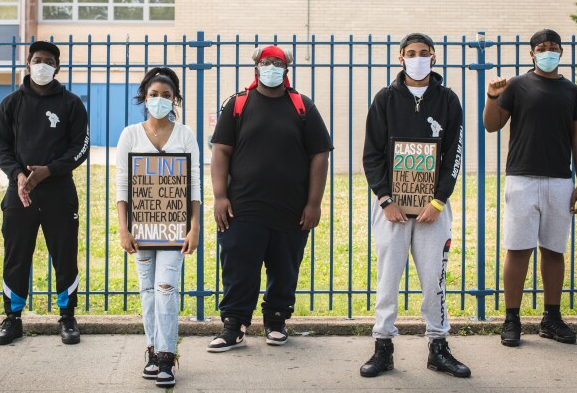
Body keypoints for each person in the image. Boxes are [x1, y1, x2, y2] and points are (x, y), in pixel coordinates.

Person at [207, 45, 332, 352]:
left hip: (291, 209)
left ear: (287, 70)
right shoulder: (237, 104)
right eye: (267, 62)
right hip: (242, 207)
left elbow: (320, 156)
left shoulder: (303, 106)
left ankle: (276, 320)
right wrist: (220, 196)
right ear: (257, 67)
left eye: (278, 63)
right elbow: (221, 151)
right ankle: (234, 326)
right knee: (238, 267)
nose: (272, 67)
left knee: (284, 267)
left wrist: (313, 203)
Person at [361, 33, 470, 378]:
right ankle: (383, 347)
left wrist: (439, 200)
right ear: (400, 58)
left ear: (434, 58)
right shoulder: (385, 100)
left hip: (432, 210)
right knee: (387, 279)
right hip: (391, 209)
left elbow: (454, 154)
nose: (418, 58)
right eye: (411, 53)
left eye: (424, 53)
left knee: (433, 280)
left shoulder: (449, 100)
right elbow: (371, 155)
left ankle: (438, 346)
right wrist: (386, 198)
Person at [482, 29, 577, 347]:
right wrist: (491, 96)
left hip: (559, 180)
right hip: (522, 178)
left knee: (554, 251)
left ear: (561, 52)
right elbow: (491, 124)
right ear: (532, 54)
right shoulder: (516, 85)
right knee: (518, 249)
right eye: (541, 47)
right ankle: (511, 320)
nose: (548, 51)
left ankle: (551, 319)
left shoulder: (572, 92)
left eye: (553, 47)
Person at [0, 40, 90, 345]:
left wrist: (50, 169)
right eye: (37, 60)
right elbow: (1, 147)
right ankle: (13, 318)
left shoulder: (71, 103)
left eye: (48, 61)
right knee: (16, 256)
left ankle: (68, 317)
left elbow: (81, 148)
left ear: (57, 67)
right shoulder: (11, 103)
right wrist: (19, 175)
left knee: (64, 255)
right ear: (28, 63)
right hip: (20, 193)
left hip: (59, 192)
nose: (42, 65)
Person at [115, 67, 201, 388]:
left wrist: (194, 227)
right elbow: (122, 185)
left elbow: (194, 185)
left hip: (174, 228)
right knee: (147, 292)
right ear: (144, 98)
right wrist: (124, 229)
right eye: (154, 95)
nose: (160, 100)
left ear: (175, 99)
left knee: (166, 288)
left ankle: (167, 355)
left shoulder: (185, 135)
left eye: (166, 95)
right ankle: (152, 350)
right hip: (141, 227)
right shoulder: (130, 135)